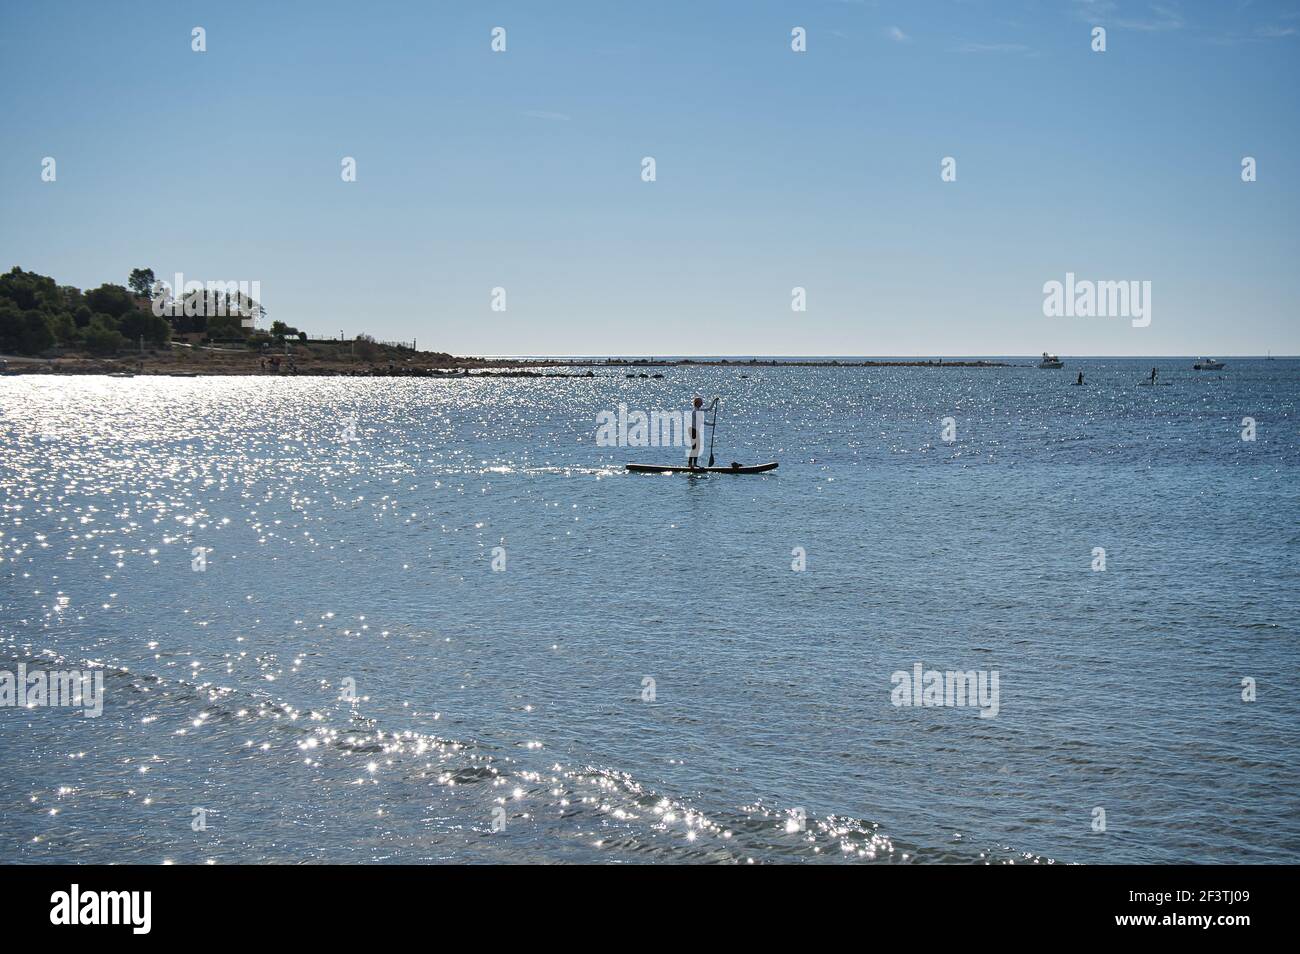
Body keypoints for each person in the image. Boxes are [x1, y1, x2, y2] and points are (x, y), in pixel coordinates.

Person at [688, 395, 707, 469]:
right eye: (701, 402)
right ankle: (690, 464)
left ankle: (695, 464)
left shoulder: (699, 410)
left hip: (696, 431)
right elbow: (702, 421)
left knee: (697, 448)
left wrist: (714, 401)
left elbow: (709, 409)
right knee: (694, 448)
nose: (702, 403)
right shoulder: (695, 411)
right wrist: (711, 424)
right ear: (697, 403)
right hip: (693, 431)